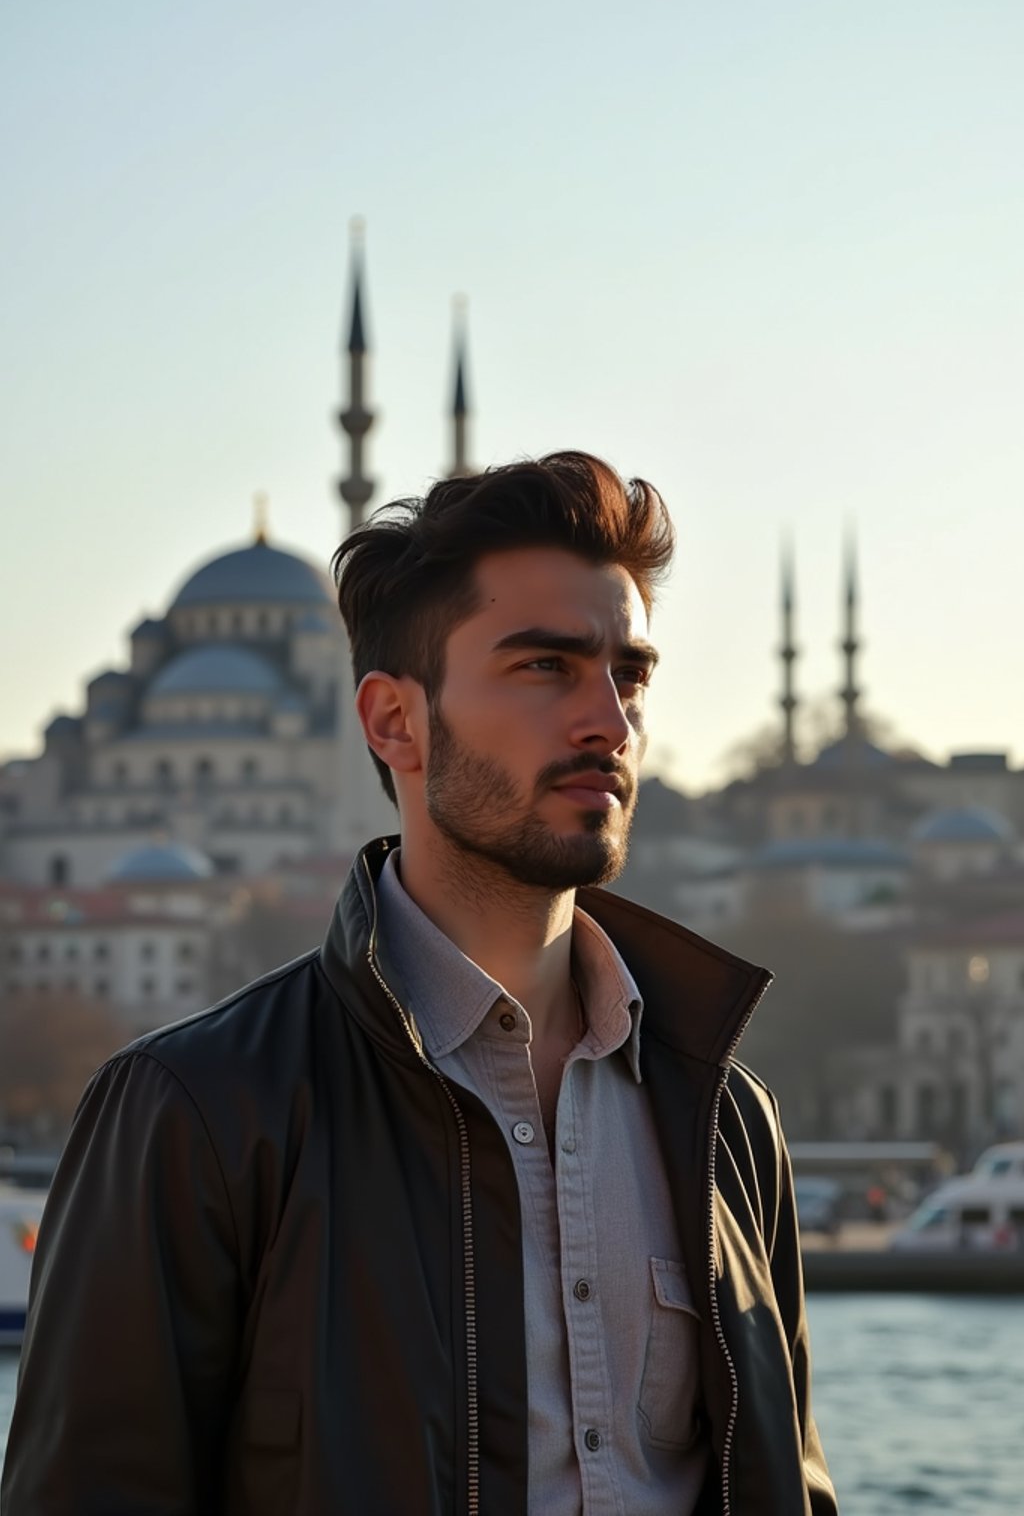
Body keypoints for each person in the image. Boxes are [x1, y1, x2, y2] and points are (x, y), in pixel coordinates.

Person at [3, 452, 836, 1514]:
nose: (609, 726)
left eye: (627, 675)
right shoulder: (201, 1113)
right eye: (545, 667)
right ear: (395, 720)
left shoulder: (723, 1117)